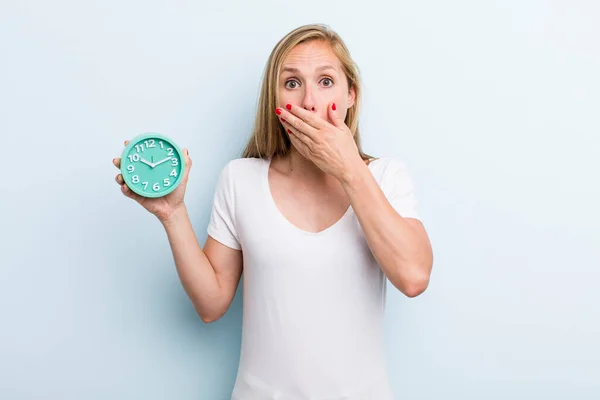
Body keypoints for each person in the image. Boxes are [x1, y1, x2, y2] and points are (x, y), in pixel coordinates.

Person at [112, 23, 433, 400]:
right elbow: (211, 304)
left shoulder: (385, 176)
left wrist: (349, 169)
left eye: (326, 81)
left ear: (351, 95)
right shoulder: (239, 179)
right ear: (275, 100)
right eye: (292, 83)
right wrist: (172, 214)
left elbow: (413, 276)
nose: (309, 102)